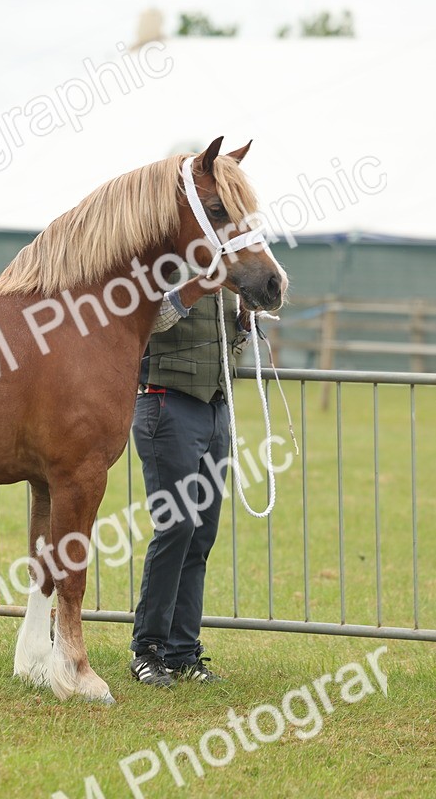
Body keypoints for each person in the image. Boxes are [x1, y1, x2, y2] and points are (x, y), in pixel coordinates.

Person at [129, 275, 248, 687]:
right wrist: (200, 284)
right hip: (166, 402)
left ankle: (183, 650)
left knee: (201, 536)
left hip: (214, 409)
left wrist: (246, 316)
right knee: (175, 528)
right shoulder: (162, 261)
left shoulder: (231, 268)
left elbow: (231, 342)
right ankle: (148, 649)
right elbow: (150, 319)